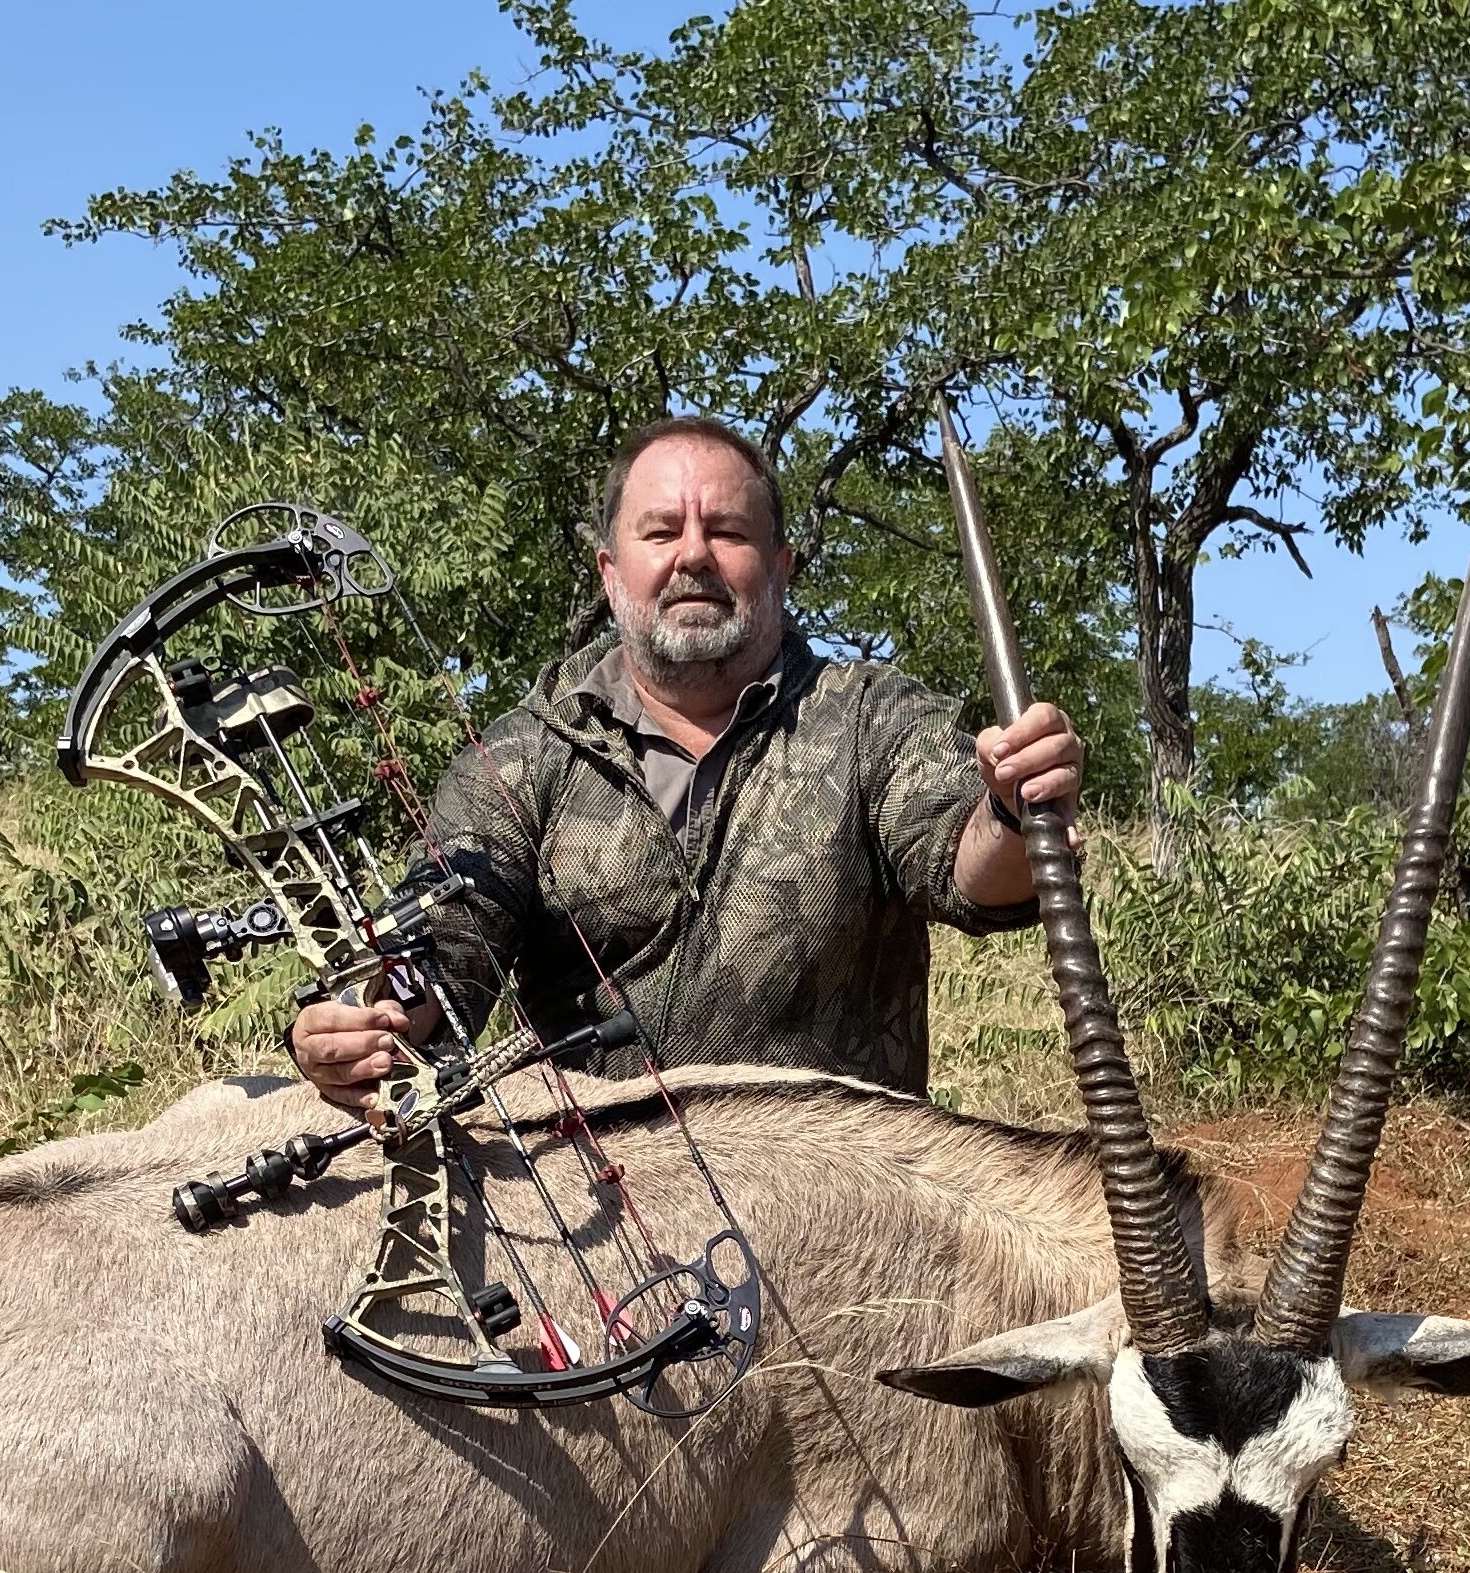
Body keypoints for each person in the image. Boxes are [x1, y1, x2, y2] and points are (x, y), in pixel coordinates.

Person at [288, 416, 1084, 1108]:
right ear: (610, 573)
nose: (694, 556)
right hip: (609, 1216)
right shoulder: (520, 756)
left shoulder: (871, 717)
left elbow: (970, 872)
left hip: (845, 1203)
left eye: (729, 532)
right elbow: (441, 955)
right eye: (661, 531)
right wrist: (363, 1025)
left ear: (781, 567)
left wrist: (1013, 808)